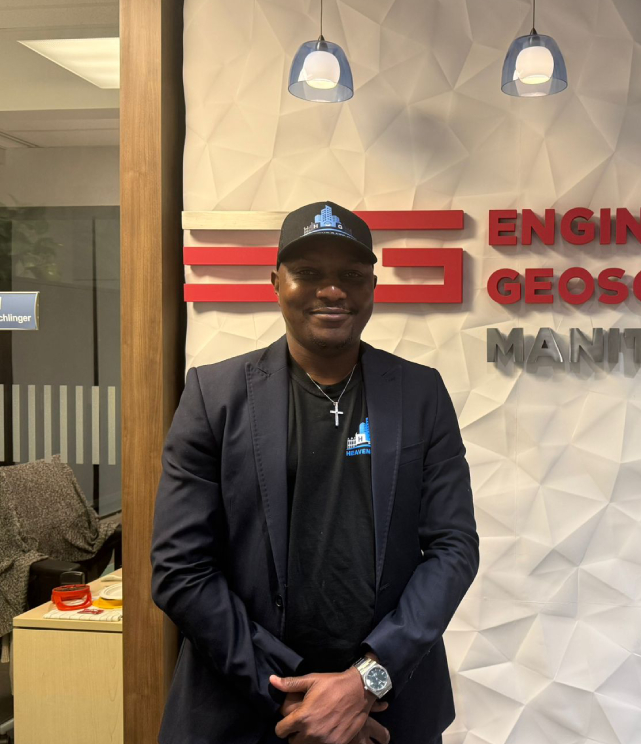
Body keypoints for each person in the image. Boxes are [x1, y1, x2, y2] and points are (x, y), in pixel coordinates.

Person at [151, 201, 479, 744]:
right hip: (244, 711)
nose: (332, 291)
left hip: (387, 714)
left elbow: (454, 548)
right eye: (308, 273)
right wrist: (296, 696)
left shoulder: (420, 394)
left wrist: (366, 680)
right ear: (276, 283)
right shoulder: (215, 397)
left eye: (351, 276)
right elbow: (180, 569)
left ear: (372, 287)